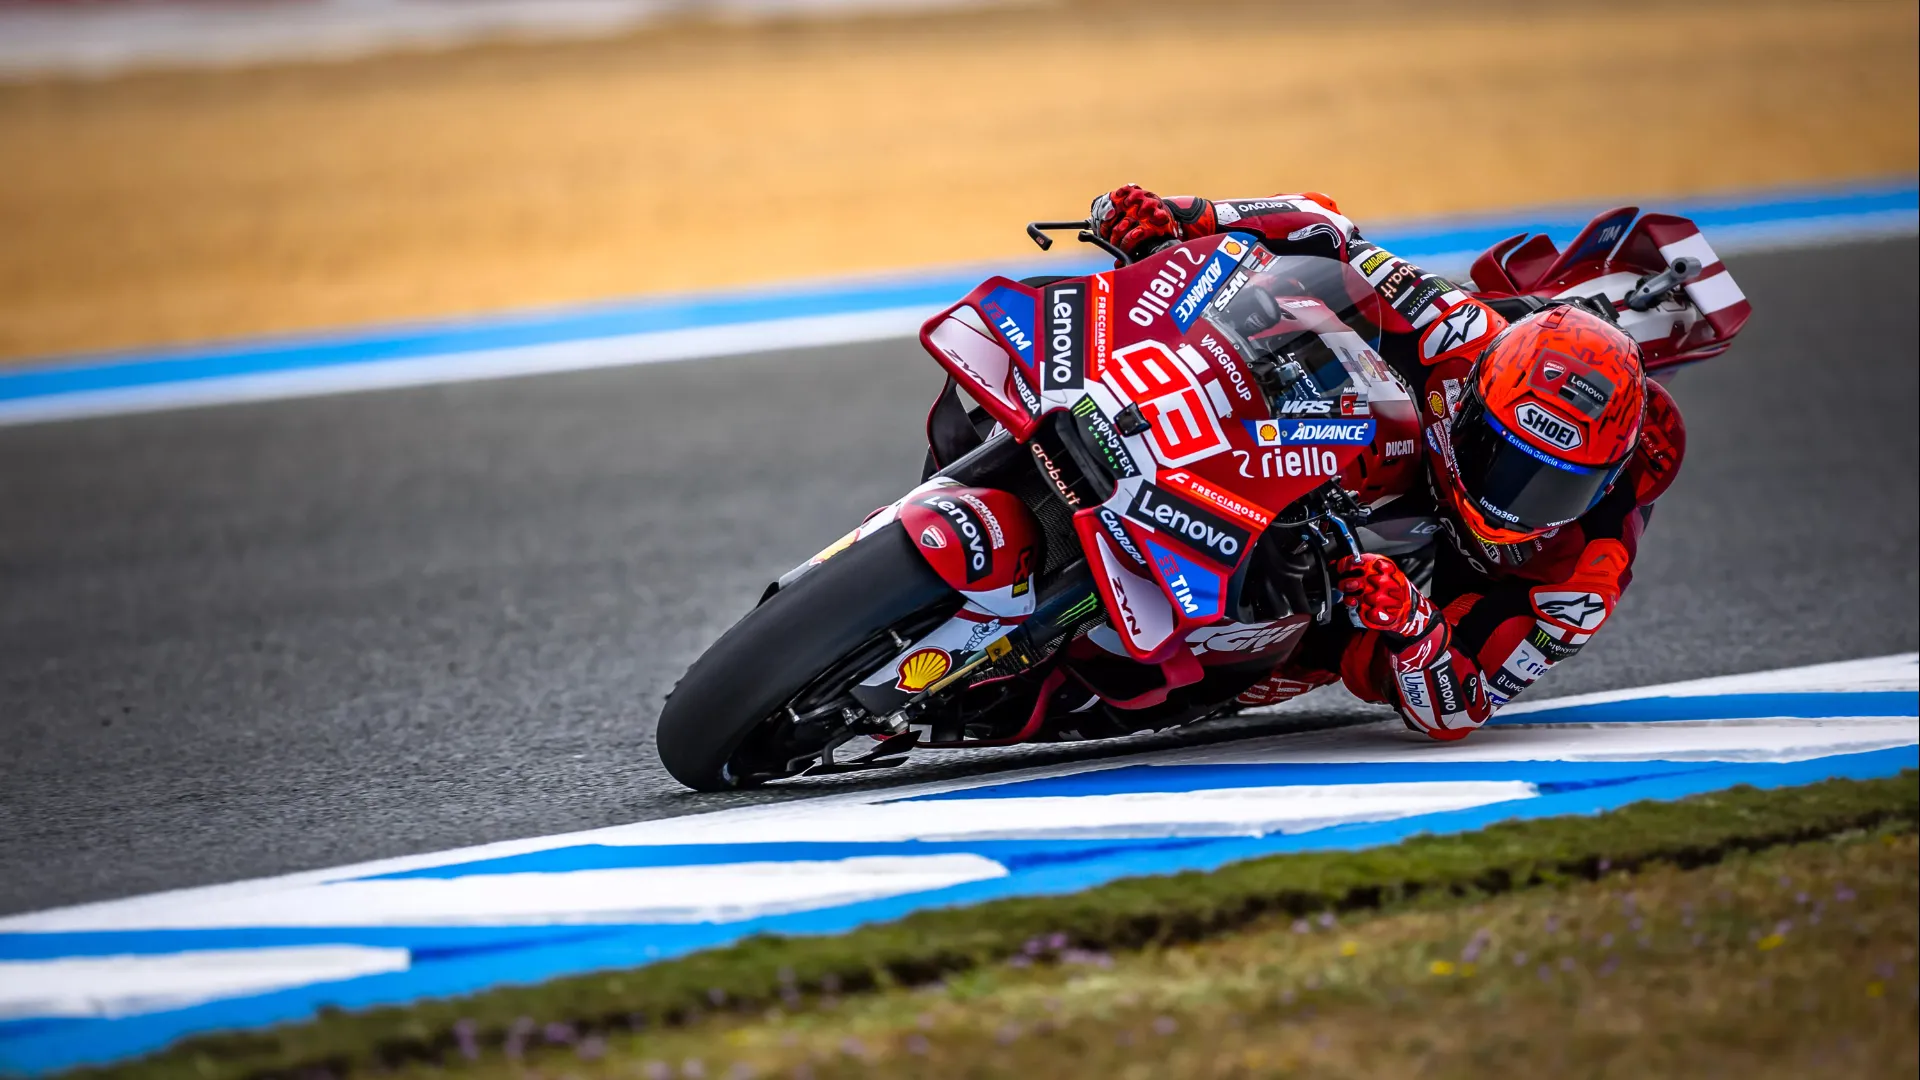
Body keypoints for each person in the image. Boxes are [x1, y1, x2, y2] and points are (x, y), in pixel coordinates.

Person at [1089, 185, 1689, 741]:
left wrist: (1412, 626)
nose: (1510, 499)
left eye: (1554, 487)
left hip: (1379, 589)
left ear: (1607, 480)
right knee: (1259, 300)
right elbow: (1328, 230)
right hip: (1334, 426)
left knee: (1250, 656)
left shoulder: (1587, 571)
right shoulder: (1459, 332)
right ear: (1472, 402)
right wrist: (1193, 217)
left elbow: (1463, 706)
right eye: (1500, 457)